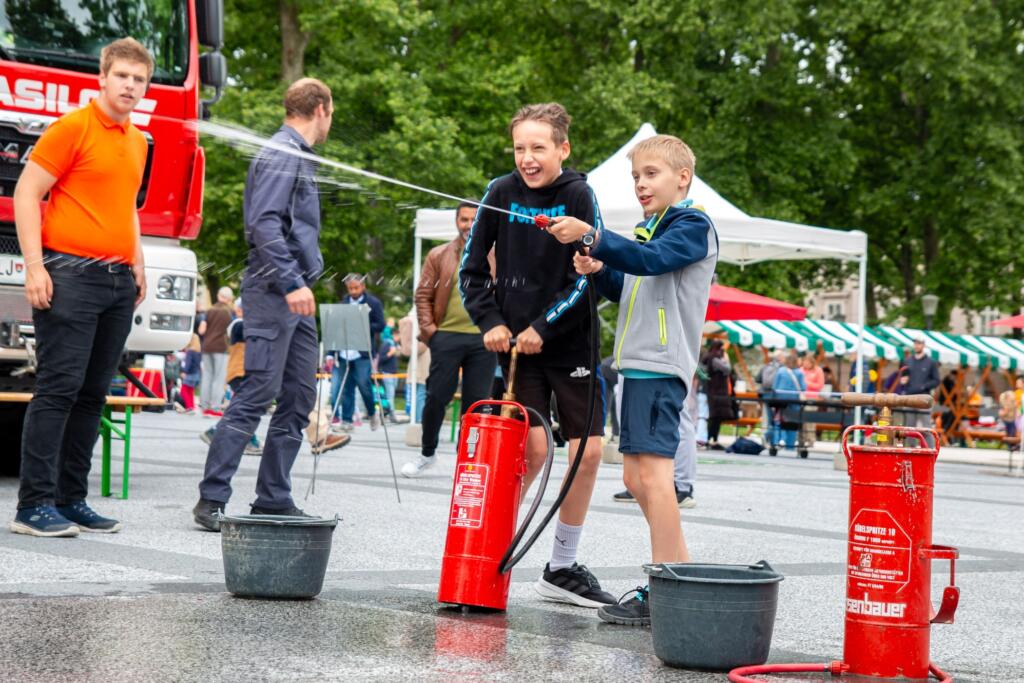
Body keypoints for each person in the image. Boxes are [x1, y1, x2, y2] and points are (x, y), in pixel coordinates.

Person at [547, 133, 717, 625]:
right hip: (639, 366)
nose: (641, 184)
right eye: (636, 176)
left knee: (654, 478)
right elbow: (630, 284)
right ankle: (679, 578)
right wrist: (599, 268)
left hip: (661, 366)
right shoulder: (649, 229)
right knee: (634, 477)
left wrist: (593, 236)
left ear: (682, 177)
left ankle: (665, 587)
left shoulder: (692, 225)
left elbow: (651, 261)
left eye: (651, 174)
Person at [460, 102, 615, 608]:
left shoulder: (579, 195)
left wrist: (542, 328)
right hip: (516, 351)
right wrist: (491, 322)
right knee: (530, 453)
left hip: (570, 344)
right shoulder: (499, 192)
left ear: (562, 149)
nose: (527, 158)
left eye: (538, 148)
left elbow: (586, 275)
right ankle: (488, 554)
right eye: (519, 148)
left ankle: (562, 567)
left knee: (587, 452)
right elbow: (471, 272)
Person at [9, 38, 152, 537]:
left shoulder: (138, 142)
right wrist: (34, 267)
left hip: (117, 282)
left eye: (139, 79)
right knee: (58, 390)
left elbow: (127, 206)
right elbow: (26, 192)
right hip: (69, 275)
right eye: (122, 76)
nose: (130, 85)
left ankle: (71, 499)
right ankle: (33, 506)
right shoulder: (72, 128)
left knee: (93, 395)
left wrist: (138, 261)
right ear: (103, 78)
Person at [193, 77, 340, 531]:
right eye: (332, 112)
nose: (331, 120)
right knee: (258, 390)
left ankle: (273, 498)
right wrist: (292, 281)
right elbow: (264, 224)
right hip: (276, 291)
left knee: (299, 397)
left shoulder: (298, 155)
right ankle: (211, 499)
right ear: (321, 109)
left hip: (296, 295)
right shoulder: (282, 152)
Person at [402, 202, 496, 477]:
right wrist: (431, 331)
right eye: (464, 219)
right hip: (446, 336)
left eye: (474, 219)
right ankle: (427, 454)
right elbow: (423, 295)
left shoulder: (497, 255)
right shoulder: (438, 254)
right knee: (436, 397)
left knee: (476, 405)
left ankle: (467, 460)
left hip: (484, 339)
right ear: (456, 221)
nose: (468, 224)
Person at [334, 275, 385, 430]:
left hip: (363, 351)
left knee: (364, 384)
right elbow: (335, 328)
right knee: (346, 388)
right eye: (350, 288)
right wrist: (332, 352)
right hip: (345, 351)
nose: (353, 291)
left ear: (363, 287)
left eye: (356, 288)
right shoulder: (343, 304)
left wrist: (362, 323)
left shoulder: (373, 303)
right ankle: (347, 421)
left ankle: (372, 412)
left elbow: (380, 325)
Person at [198, 286, 234, 416]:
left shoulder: (209, 310)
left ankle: (204, 406)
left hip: (207, 346)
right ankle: (215, 407)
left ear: (218, 296)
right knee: (219, 378)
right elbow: (231, 332)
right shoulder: (229, 312)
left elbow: (201, 330)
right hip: (221, 348)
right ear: (229, 299)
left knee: (207, 376)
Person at [900, 336, 940, 428]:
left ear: (923, 345)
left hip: (924, 398)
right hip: (909, 397)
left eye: (919, 343)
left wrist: (923, 386)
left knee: (926, 427)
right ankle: (911, 439)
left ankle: (928, 439)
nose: (916, 346)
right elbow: (903, 377)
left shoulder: (931, 362)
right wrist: (903, 381)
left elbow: (936, 381)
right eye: (915, 343)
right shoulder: (907, 361)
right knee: (909, 427)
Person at [702, 339, 735, 450]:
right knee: (715, 417)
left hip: (714, 392)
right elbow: (728, 369)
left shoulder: (709, 357)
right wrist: (726, 359)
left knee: (716, 417)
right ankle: (711, 440)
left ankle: (712, 440)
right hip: (717, 392)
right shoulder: (715, 359)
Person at [397, 311, 429, 422]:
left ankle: (417, 420)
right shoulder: (423, 322)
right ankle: (419, 421)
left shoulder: (413, 322)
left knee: (418, 393)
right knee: (421, 393)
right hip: (424, 364)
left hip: (418, 364)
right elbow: (421, 346)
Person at [772, 351, 806, 450]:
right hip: (794, 400)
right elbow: (803, 387)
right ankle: (790, 446)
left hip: (781, 400)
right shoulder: (799, 373)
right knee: (792, 422)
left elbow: (775, 386)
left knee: (778, 421)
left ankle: (776, 442)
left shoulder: (781, 371)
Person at [180, 334, 203, 412]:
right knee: (190, 391)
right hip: (196, 374)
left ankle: (189, 407)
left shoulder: (190, 351)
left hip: (190, 373)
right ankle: (192, 406)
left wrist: (184, 372)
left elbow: (188, 363)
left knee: (183, 390)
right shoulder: (199, 352)